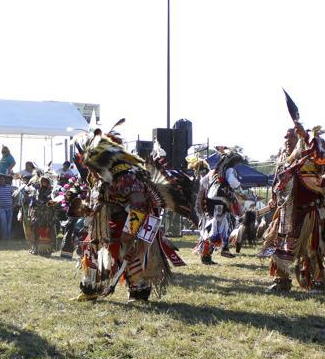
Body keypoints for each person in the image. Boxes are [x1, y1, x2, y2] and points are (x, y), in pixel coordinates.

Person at [76, 121, 194, 301]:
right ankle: (92, 288)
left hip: (131, 224)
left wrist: (129, 233)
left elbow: (138, 205)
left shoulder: (125, 177)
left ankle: (138, 290)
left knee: (132, 257)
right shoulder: (105, 177)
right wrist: (90, 209)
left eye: (91, 166)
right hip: (109, 224)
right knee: (94, 250)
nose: (90, 171)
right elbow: (101, 198)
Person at [265, 91, 325, 294]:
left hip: (310, 211)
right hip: (287, 211)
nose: (286, 140)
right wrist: (274, 200)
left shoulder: (312, 152)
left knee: (312, 247)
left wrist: (306, 137)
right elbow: (278, 184)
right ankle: (282, 280)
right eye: (285, 137)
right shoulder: (284, 161)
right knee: (281, 243)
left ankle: (318, 281)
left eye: (290, 136)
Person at [195, 147, 244, 263]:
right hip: (221, 201)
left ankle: (211, 254)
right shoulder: (229, 170)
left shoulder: (213, 171)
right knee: (218, 226)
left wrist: (207, 193)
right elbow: (233, 182)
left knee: (217, 225)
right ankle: (216, 252)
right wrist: (242, 193)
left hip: (210, 202)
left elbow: (203, 182)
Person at [0, 174, 15, 240]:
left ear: (5, 180)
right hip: (0, 208)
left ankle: (8, 237)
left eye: (3, 179)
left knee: (9, 223)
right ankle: (4, 237)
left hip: (10, 207)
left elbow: (14, 195)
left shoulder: (9, 187)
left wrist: (14, 204)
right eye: (0, 179)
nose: (1, 180)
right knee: (3, 222)